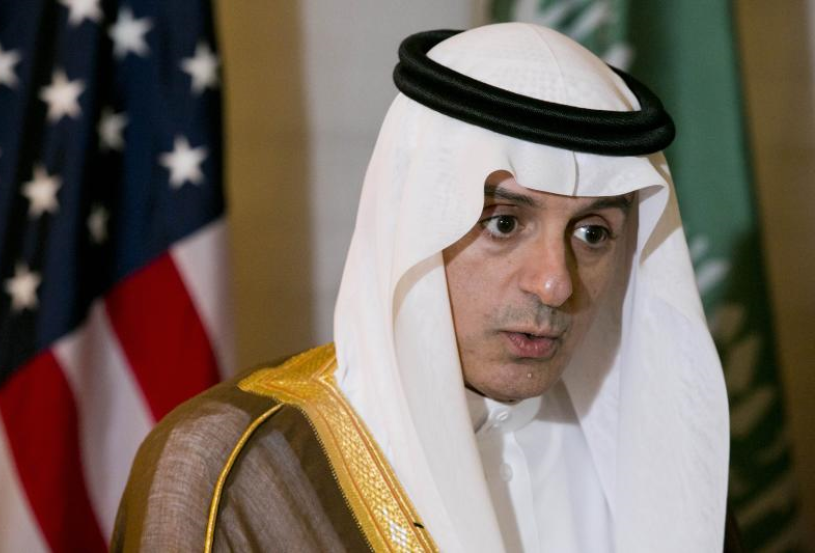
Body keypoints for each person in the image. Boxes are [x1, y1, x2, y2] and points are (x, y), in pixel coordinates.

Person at [112, 23, 739, 552]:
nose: (554, 284)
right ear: (411, 221)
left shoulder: (667, 457)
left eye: (593, 233)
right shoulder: (235, 466)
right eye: (503, 223)